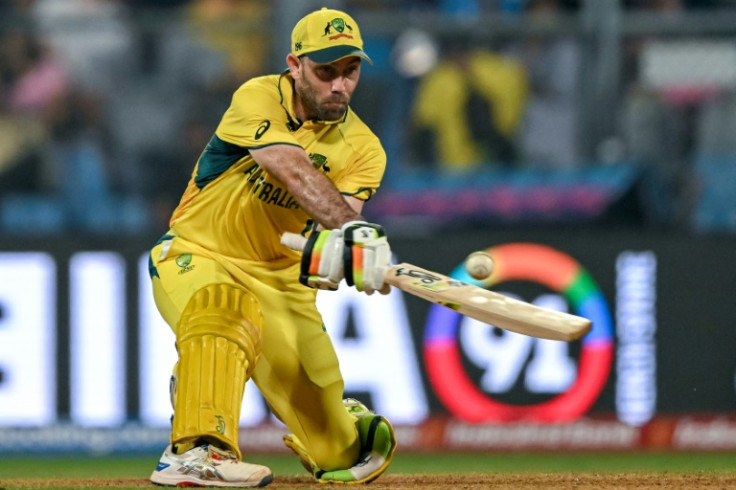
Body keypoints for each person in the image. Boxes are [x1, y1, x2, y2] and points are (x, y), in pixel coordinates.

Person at [147, 7, 396, 488]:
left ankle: (333, 421)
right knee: (223, 309)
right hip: (199, 254)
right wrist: (353, 231)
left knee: (341, 455)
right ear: (294, 64)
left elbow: (334, 226)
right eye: (325, 72)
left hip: (283, 284)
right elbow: (289, 166)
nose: (339, 86)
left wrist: (342, 254)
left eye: (350, 71)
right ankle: (197, 451)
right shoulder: (258, 95)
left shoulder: (366, 150)